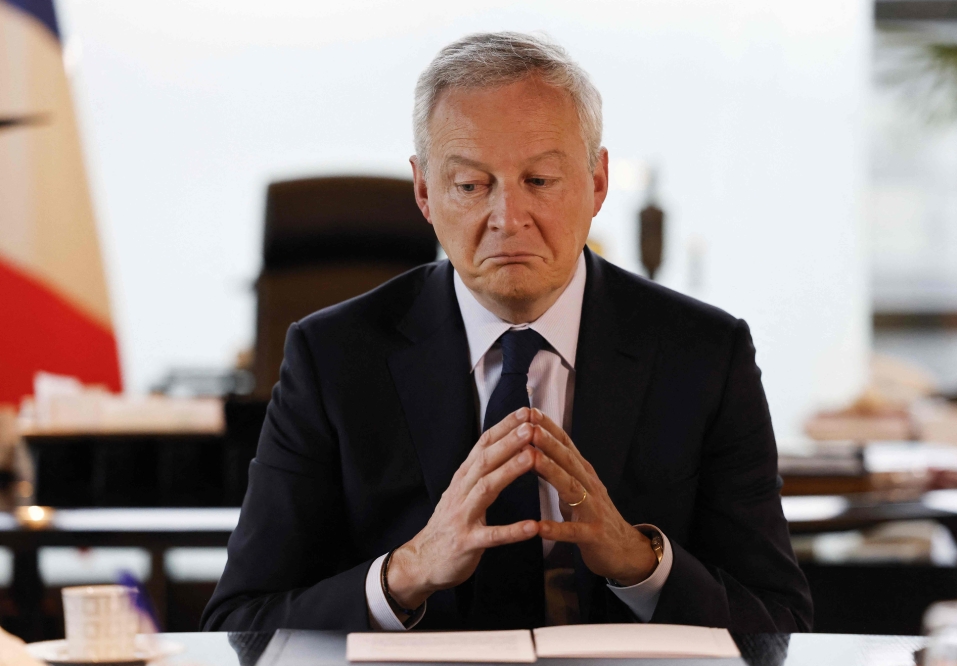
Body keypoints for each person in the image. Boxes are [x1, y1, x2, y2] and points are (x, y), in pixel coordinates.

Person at [202, 31, 812, 633]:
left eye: (540, 181)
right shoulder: (333, 358)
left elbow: (779, 622)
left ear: (597, 182)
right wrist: (408, 571)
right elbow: (242, 620)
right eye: (470, 185)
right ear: (423, 190)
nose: (507, 218)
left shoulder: (705, 355)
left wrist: (637, 562)